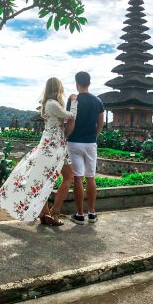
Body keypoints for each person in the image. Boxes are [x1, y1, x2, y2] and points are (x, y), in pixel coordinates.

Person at [0, 77, 77, 226]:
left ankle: (46, 213)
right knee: (59, 178)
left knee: (50, 178)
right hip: (52, 147)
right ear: (58, 89)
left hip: (55, 146)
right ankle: (51, 212)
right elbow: (71, 116)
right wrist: (74, 102)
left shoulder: (50, 104)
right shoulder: (52, 104)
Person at [67, 71, 104, 225]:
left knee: (78, 178)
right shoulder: (98, 101)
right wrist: (93, 136)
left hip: (74, 142)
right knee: (90, 177)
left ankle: (80, 214)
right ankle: (92, 213)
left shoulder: (73, 101)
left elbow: (69, 121)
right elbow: (100, 124)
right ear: (89, 83)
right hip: (90, 143)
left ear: (77, 83)